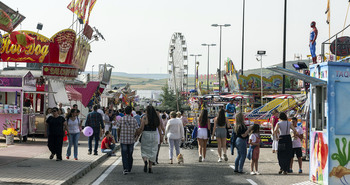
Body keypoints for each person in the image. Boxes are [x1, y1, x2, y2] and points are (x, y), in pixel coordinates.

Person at [139, 105, 163, 173]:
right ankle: (150, 167)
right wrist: (161, 137)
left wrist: (137, 135)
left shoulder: (145, 118)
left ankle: (145, 161)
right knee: (153, 150)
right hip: (154, 135)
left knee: (144, 149)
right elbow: (159, 128)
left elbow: (141, 128)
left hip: (146, 134)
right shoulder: (156, 118)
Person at [117, 106, 139, 175]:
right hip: (131, 140)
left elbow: (118, 128)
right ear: (130, 112)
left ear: (124, 112)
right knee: (130, 154)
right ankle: (129, 168)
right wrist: (135, 136)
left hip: (123, 139)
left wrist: (118, 136)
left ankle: (125, 168)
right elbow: (137, 129)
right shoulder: (134, 120)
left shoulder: (121, 119)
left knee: (124, 155)